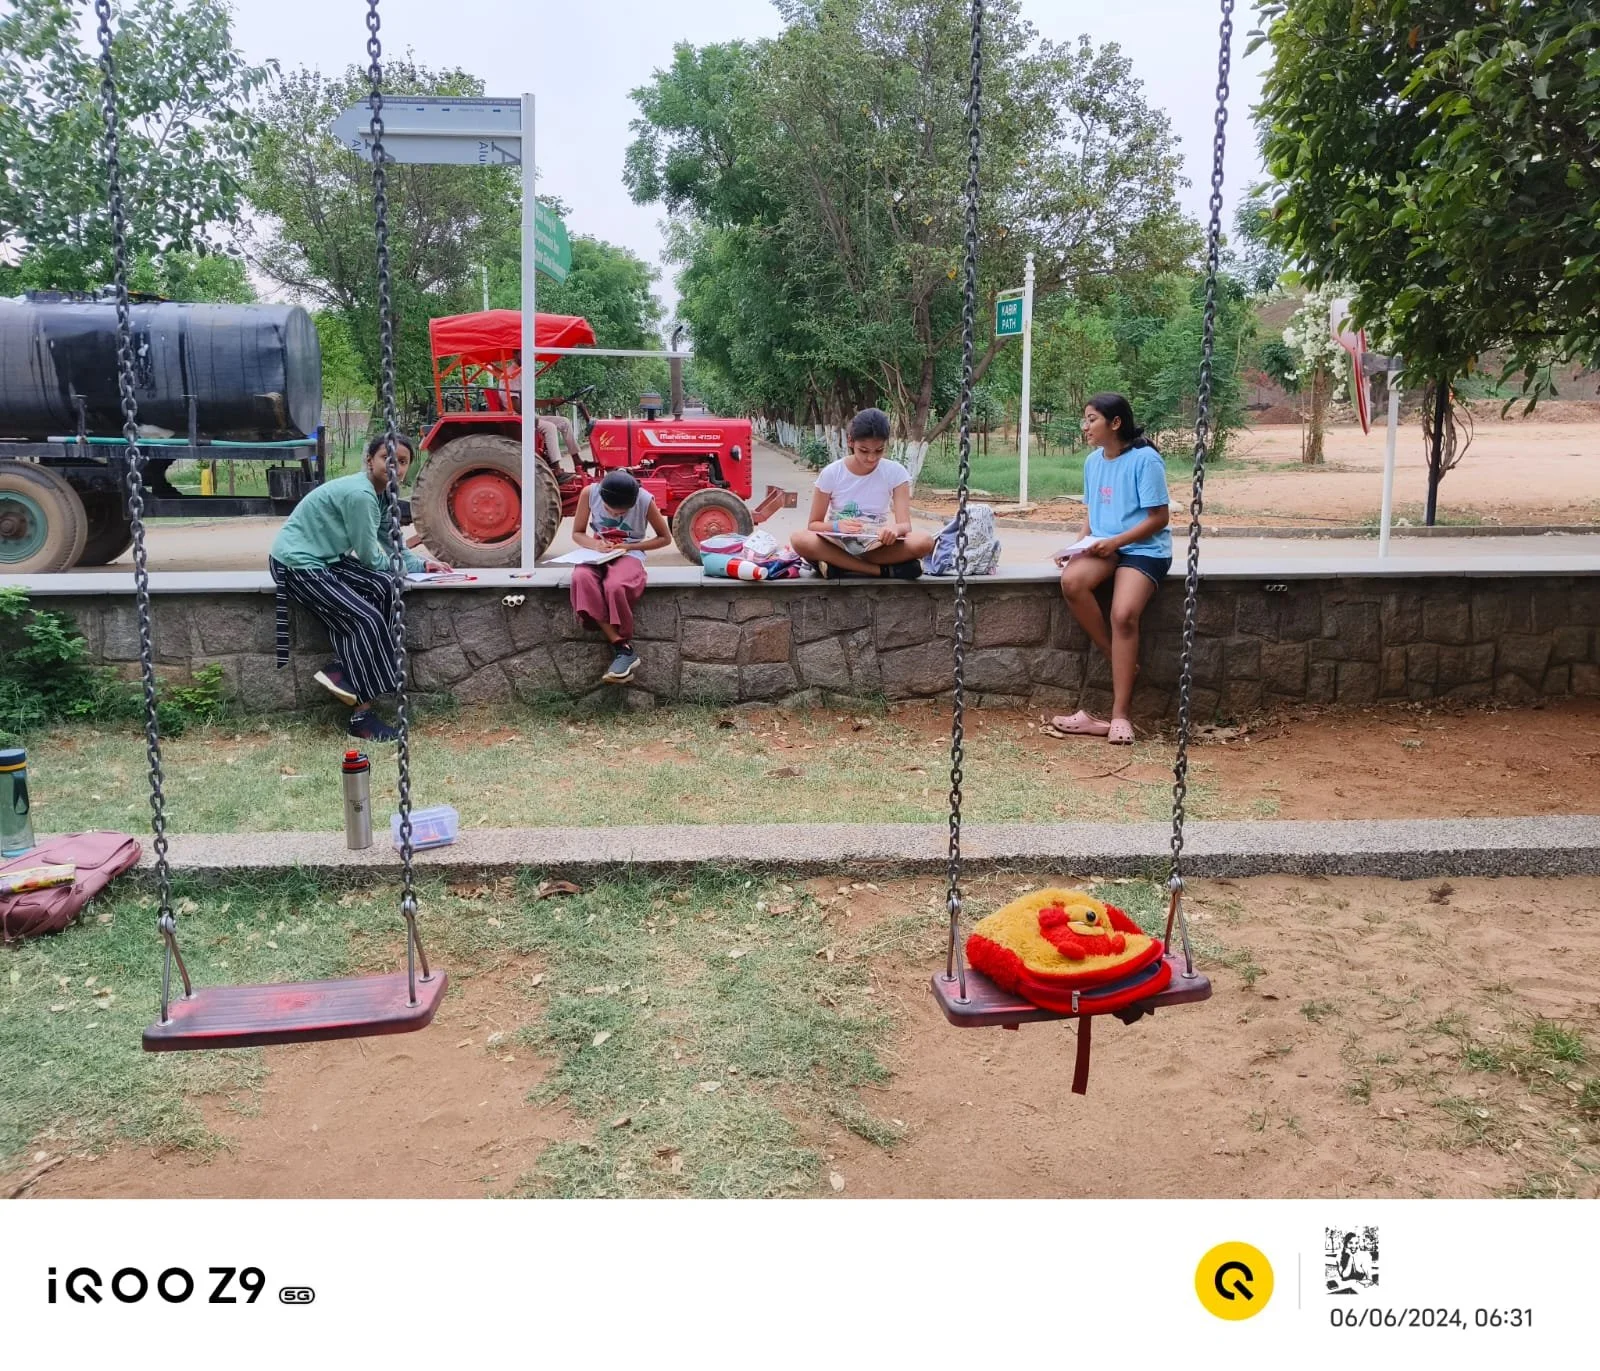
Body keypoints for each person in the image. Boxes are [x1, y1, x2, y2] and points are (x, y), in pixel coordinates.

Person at [268, 435, 451, 742]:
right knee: (366, 619)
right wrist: (407, 567)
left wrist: (422, 565)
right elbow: (369, 556)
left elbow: (390, 543)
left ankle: (344, 670)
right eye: (387, 459)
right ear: (370, 461)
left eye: (403, 462)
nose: (395, 466)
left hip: (326, 559)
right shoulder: (362, 495)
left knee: (384, 587)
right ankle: (361, 719)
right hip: (297, 563)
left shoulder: (383, 495)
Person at [1051, 393, 1171, 745]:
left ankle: (1120, 716)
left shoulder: (1145, 460)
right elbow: (1092, 515)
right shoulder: (1093, 462)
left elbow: (1159, 519)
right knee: (1072, 581)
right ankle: (1115, 655)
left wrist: (1116, 543)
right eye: (1085, 419)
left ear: (1115, 423)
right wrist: (1076, 546)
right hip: (1103, 546)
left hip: (1143, 549)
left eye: (1091, 419)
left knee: (1123, 615)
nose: (1084, 426)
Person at [789, 408, 935, 579]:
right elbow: (813, 524)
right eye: (864, 451)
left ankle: (841, 565)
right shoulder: (832, 473)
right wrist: (837, 526)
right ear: (851, 442)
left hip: (875, 544)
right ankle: (880, 571)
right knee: (799, 539)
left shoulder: (896, 473)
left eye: (879, 450)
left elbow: (905, 526)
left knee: (925, 542)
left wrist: (894, 529)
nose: (871, 458)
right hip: (838, 541)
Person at [569, 469, 672, 684]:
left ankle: (622, 647)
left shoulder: (644, 499)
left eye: (622, 512)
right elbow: (577, 533)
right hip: (597, 550)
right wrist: (596, 544)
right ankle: (621, 647)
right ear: (602, 498)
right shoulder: (590, 493)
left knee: (615, 585)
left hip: (630, 551)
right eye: (610, 511)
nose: (616, 515)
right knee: (581, 578)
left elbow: (664, 538)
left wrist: (629, 546)